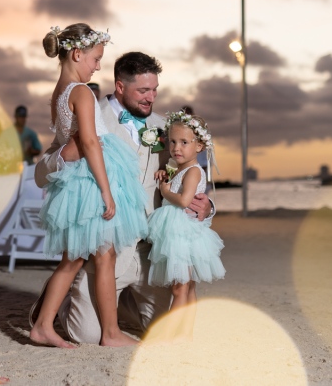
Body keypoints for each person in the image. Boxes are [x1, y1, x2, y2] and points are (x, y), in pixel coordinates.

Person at [32, 51, 214, 345]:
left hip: (152, 252)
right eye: (143, 90)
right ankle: (63, 302)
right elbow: (41, 172)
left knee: (160, 330)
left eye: (154, 90)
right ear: (119, 86)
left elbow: (189, 174)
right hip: (108, 249)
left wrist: (207, 207)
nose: (150, 97)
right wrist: (63, 157)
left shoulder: (166, 126)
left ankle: (123, 308)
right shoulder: (90, 114)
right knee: (86, 335)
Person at [30, 24, 148, 349]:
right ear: (77, 54)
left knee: (83, 257)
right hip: (91, 180)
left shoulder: (59, 91)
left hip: (77, 180)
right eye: (95, 59)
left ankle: (45, 325)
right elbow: (90, 143)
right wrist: (107, 191)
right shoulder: (81, 92)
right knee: (97, 256)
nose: (98, 66)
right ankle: (108, 333)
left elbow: (66, 142)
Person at [146, 111, 225, 338]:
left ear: (199, 146)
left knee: (180, 287)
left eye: (184, 142)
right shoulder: (178, 168)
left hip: (182, 233)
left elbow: (183, 200)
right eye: (172, 141)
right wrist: (165, 174)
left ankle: (168, 335)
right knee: (187, 287)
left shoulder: (193, 171)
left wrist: (165, 190)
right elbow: (171, 176)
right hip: (178, 232)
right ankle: (186, 334)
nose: (176, 148)